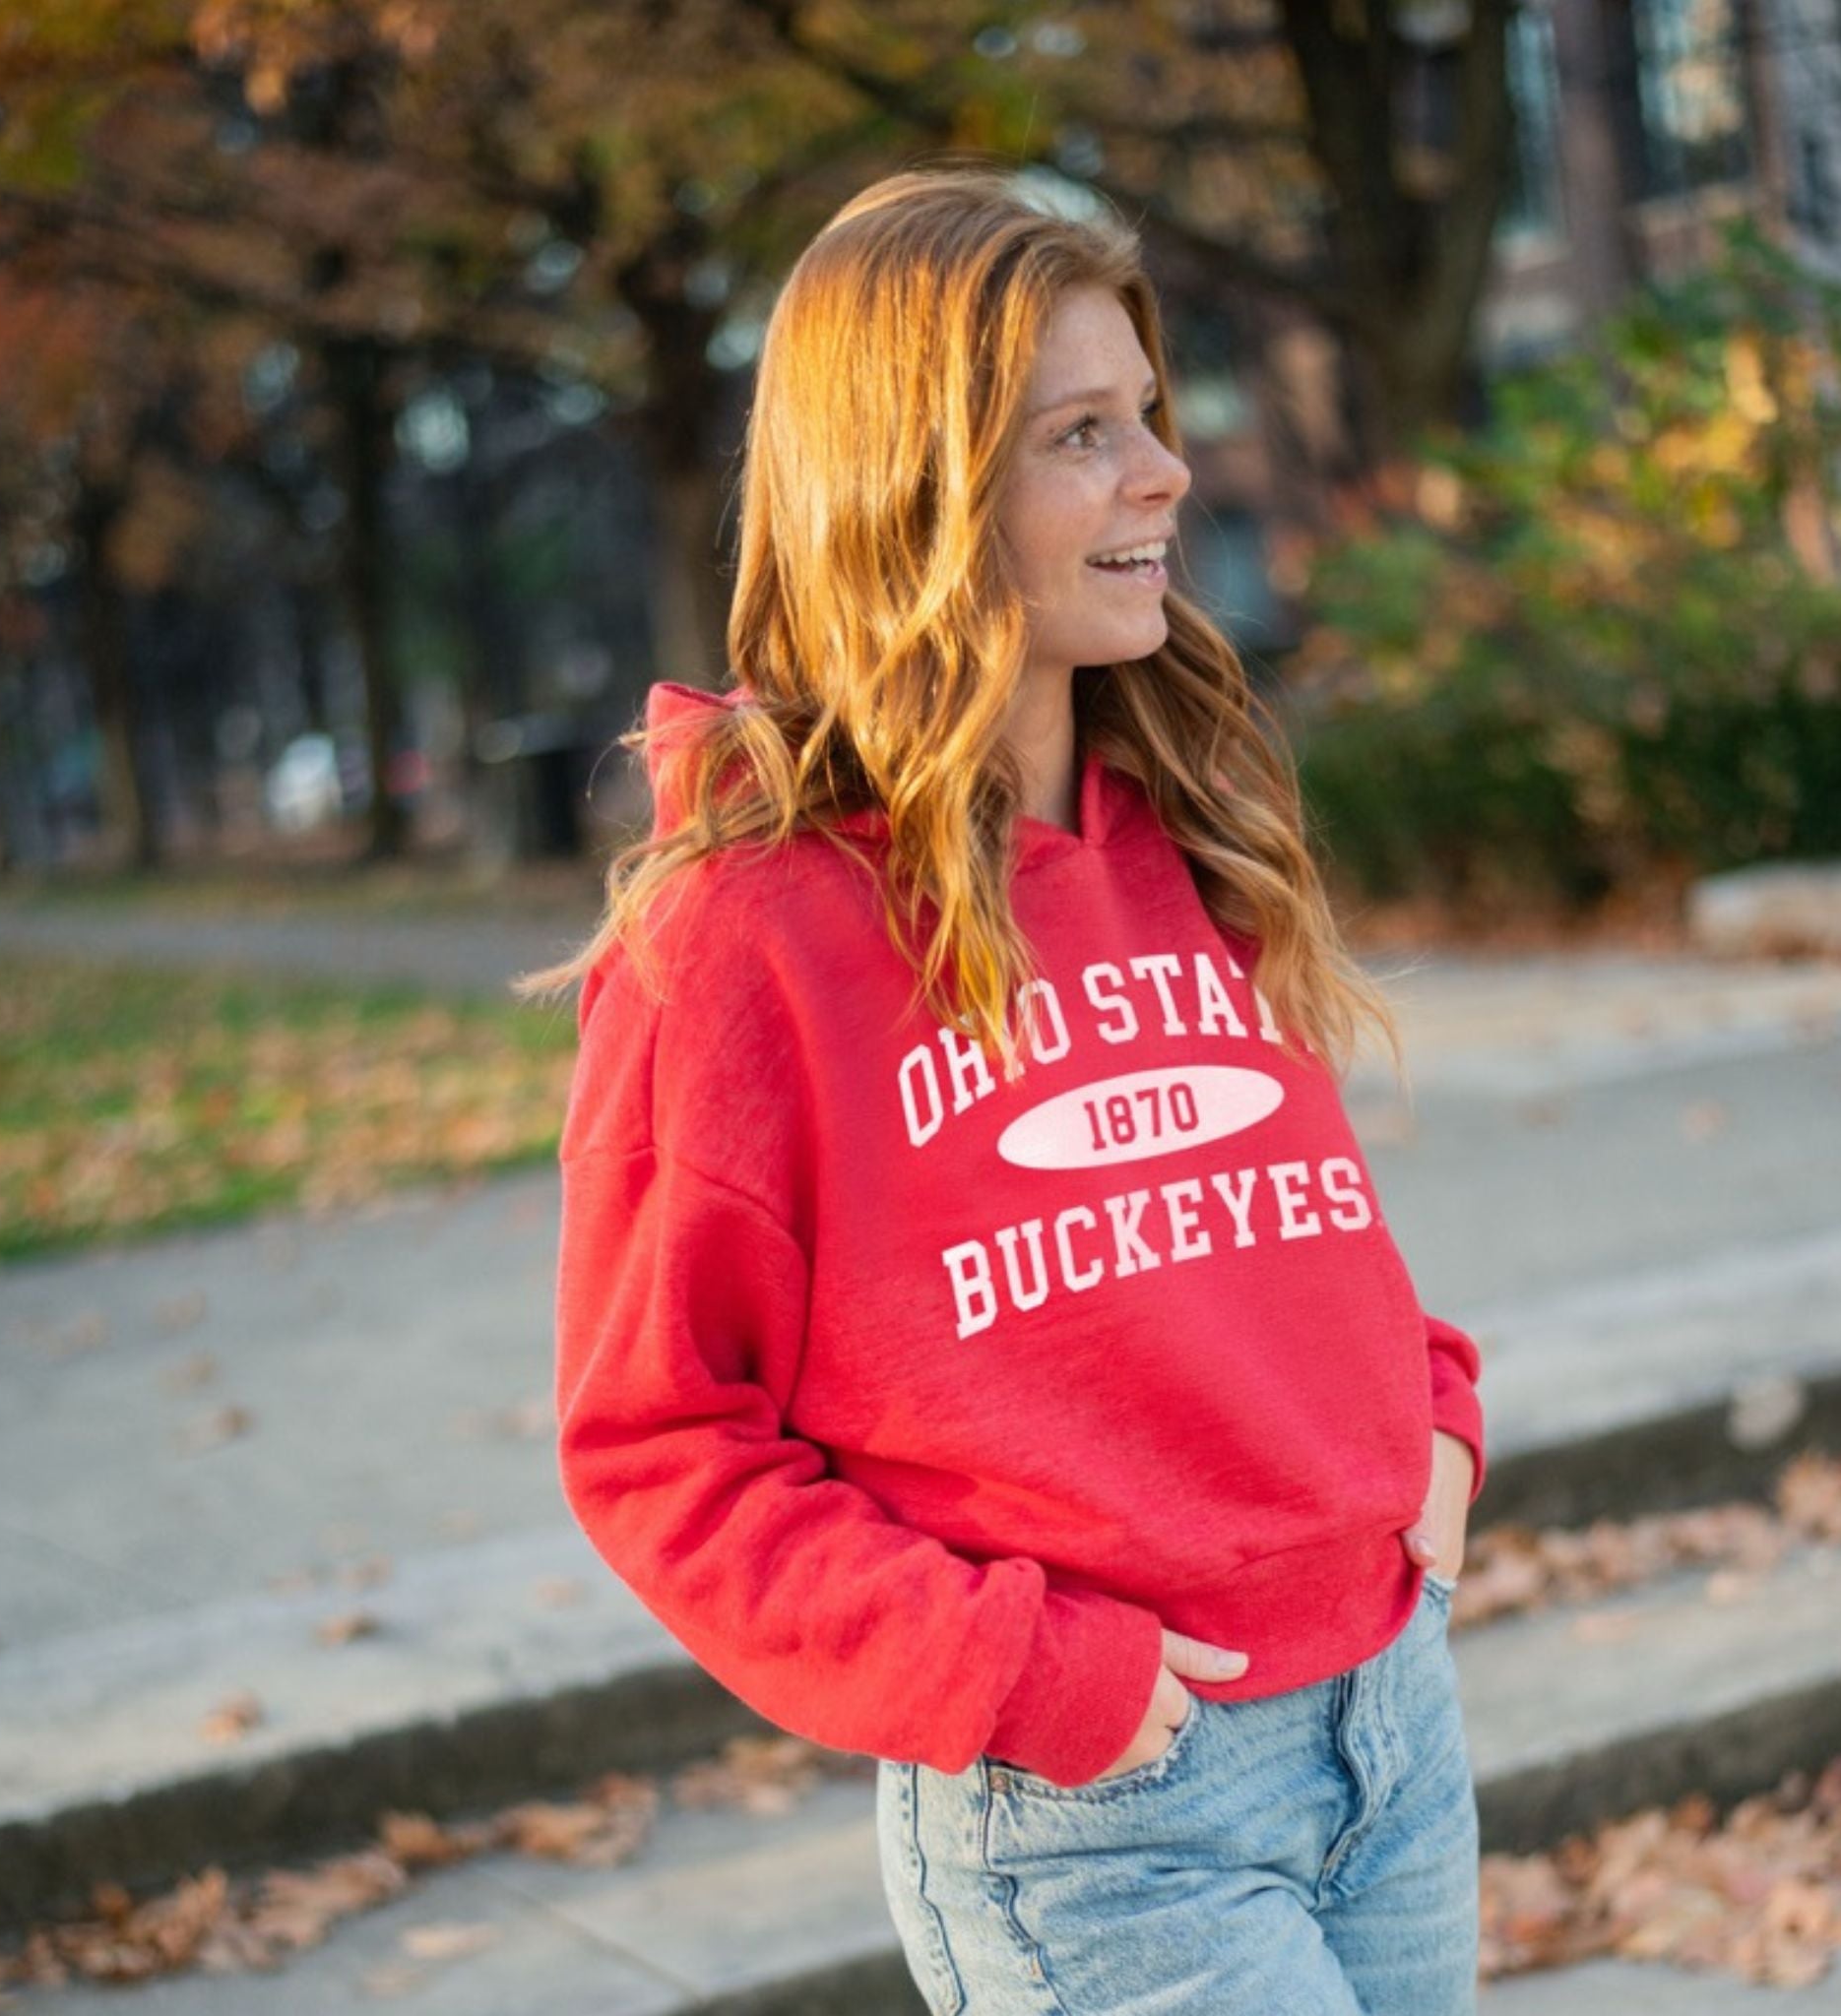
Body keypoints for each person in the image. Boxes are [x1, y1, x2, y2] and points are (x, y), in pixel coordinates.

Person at [531, 159, 1487, 2015]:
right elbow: (660, 1446)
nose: (1165, 475)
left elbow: (1261, 1221)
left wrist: (1426, 1410)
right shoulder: (739, 940)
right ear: (918, 494)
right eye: (1083, 434)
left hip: (1392, 1730)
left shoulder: (1187, 817)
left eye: (1148, 415)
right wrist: (1033, 1679)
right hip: (1104, 1826)